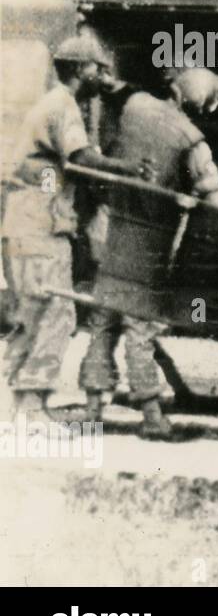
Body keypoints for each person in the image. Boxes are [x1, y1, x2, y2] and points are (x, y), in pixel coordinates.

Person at [79, 68, 218, 436]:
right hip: (151, 244)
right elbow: (214, 199)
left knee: (103, 324)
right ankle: (151, 414)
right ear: (200, 100)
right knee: (140, 327)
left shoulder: (134, 107)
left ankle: (94, 408)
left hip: (114, 233)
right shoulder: (192, 139)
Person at [1, 35, 149, 420]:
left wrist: (58, 183)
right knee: (55, 313)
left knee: (31, 315)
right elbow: (81, 158)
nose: (103, 74)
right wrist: (128, 169)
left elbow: (55, 171)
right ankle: (30, 407)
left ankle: (14, 408)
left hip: (26, 226)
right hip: (42, 231)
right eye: (98, 67)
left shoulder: (52, 105)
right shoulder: (63, 106)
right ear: (80, 69)